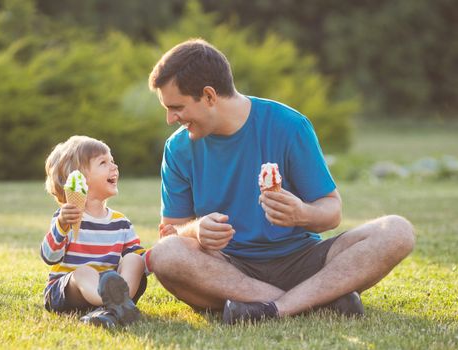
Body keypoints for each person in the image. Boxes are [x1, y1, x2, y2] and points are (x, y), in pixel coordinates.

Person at [147, 39, 415, 324]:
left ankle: (274, 308)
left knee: (397, 230)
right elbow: (172, 232)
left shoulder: (288, 125)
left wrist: (302, 213)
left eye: (176, 107)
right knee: (165, 255)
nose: (170, 118)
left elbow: (332, 212)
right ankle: (318, 300)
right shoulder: (178, 148)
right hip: (226, 270)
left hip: (303, 260)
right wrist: (196, 230)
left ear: (209, 96)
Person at [41, 135, 149, 328]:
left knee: (134, 259)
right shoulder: (66, 217)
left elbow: (141, 262)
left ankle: (116, 306)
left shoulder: (121, 222)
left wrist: (158, 252)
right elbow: (50, 256)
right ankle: (115, 305)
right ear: (78, 177)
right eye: (103, 162)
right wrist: (62, 226)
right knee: (84, 272)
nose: (114, 167)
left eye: (113, 161)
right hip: (68, 291)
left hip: (110, 284)